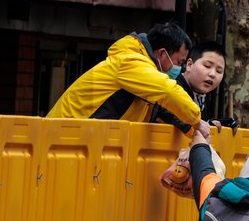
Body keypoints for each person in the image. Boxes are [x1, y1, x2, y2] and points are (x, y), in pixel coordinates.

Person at [47, 22, 210, 137]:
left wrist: (193, 129)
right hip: (63, 137)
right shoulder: (130, 63)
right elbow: (167, 91)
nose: (179, 68)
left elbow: (162, 110)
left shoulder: (140, 70)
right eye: (179, 62)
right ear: (161, 53)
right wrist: (196, 119)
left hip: (73, 139)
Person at [148, 41, 237, 134]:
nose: (212, 74)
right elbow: (165, 113)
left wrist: (211, 124)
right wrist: (199, 124)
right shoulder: (171, 85)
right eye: (207, 66)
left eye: (219, 71)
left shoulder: (200, 95)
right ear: (189, 65)